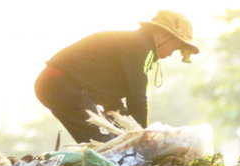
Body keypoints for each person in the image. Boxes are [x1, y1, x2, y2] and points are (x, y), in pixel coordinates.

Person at [35, 11, 199, 144]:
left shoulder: (132, 45)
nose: (171, 54)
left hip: (53, 84)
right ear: (163, 34)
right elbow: (137, 97)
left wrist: (128, 129)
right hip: (60, 83)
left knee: (107, 140)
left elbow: (112, 104)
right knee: (107, 144)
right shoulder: (141, 46)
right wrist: (142, 137)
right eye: (175, 47)